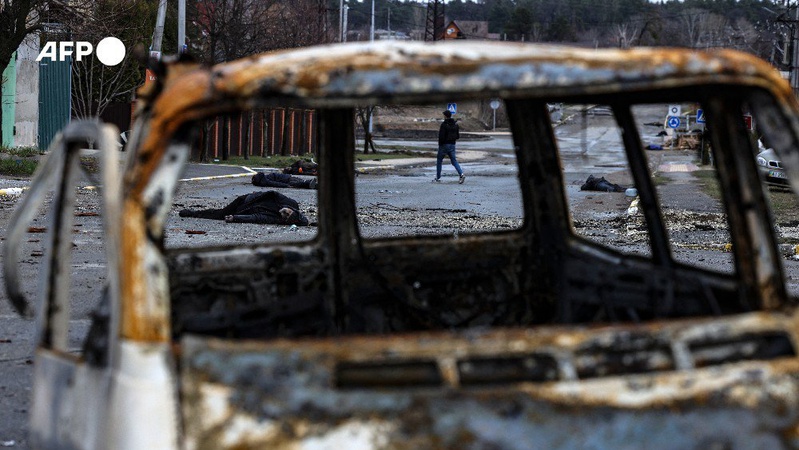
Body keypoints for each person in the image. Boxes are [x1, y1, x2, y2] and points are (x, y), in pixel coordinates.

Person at [179, 190, 310, 225]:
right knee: (218, 213)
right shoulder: (289, 202)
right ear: (291, 210)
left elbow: (257, 218)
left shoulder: (276, 219)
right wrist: (254, 197)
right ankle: (193, 212)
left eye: (285, 218)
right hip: (247, 200)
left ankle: (193, 213)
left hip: (245, 209)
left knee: (220, 215)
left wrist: (236, 218)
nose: (283, 215)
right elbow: (272, 193)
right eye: (287, 213)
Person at [434, 110, 466, 184]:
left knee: (439, 161)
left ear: (445, 116)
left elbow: (441, 136)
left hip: (444, 145)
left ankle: (438, 177)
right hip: (452, 145)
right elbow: (457, 136)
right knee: (454, 161)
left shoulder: (444, 124)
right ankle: (461, 174)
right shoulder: (455, 125)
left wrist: (440, 144)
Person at [251, 171, 317, 189]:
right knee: (301, 182)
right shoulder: (265, 179)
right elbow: (275, 183)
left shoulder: (264, 180)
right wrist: (286, 185)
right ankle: (312, 184)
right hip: (287, 179)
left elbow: (274, 183)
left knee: (301, 183)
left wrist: (286, 185)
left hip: (287, 179)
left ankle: (311, 184)